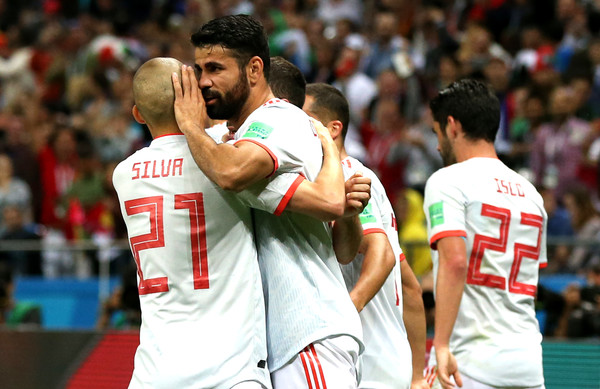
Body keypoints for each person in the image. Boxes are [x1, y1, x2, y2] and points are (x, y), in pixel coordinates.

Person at [172, 15, 367, 388]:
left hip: (307, 333)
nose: (203, 81)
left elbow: (231, 174)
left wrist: (190, 125)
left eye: (215, 68)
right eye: (198, 69)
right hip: (280, 341)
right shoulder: (235, 135)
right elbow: (343, 247)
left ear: (254, 69)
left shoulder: (277, 119)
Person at [113, 57, 271, 388]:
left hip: (154, 372)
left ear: (138, 115)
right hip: (231, 370)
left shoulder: (124, 174)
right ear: (195, 99)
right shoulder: (227, 153)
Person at [302, 83, 429, 389]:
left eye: (304, 121)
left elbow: (381, 253)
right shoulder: (354, 177)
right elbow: (410, 286)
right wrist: (416, 376)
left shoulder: (348, 176)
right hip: (389, 363)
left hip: (363, 363)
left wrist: (346, 310)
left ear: (333, 129)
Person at [423, 79, 547, 389]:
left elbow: (454, 262)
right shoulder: (532, 194)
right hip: (528, 361)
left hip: (470, 361)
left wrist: (439, 344)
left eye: (436, 133)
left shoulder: (447, 181)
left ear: (452, 126)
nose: (438, 145)